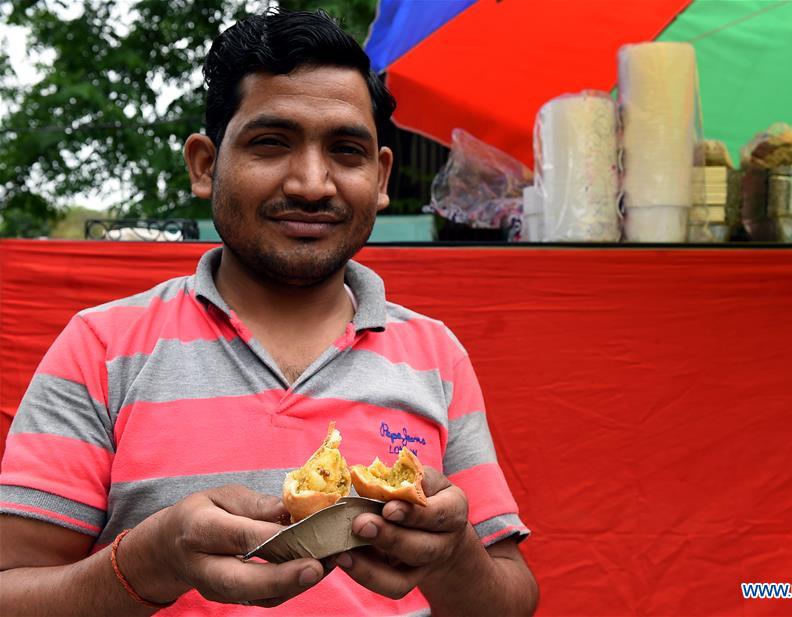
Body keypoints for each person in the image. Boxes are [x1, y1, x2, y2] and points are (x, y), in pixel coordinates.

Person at [0, 9, 538, 616]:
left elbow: (511, 599)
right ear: (205, 165)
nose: (313, 182)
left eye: (346, 150)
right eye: (271, 143)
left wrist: (454, 556)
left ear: (381, 176)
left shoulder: (436, 353)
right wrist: (147, 563)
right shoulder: (101, 347)